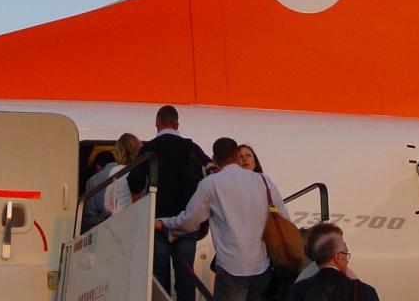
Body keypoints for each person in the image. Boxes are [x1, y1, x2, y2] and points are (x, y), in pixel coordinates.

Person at [157, 137, 289, 301]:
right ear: (236, 155)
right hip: (262, 267)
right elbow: (284, 216)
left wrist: (165, 223)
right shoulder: (263, 180)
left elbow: (191, 221)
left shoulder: (211, 183)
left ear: (214, 159)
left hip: (231, 267)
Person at [128, 104, 211, 301]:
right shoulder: (191, 147)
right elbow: (210, 171)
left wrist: (141, 208)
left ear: (157, 123)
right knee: (186, 277)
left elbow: (134, 180)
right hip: (186, 222)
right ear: (177, 124)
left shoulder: (149, 149)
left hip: (158, 222)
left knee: (159, 274)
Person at [289, 231, 379, 301]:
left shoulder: (300, 289)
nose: (347, 261)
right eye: (346, 255)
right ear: (337, 257)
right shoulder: (365, 291)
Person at [104, 132, 141, 213]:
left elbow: (107, 204)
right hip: (140, 217)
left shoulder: (116, 171)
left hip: (120, 217)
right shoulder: (143, 169)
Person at [81, 150, 117, 231]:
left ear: (97, 166)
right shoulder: (130, 171)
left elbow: (90, 214)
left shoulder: (93, 180)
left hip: (105, 228)